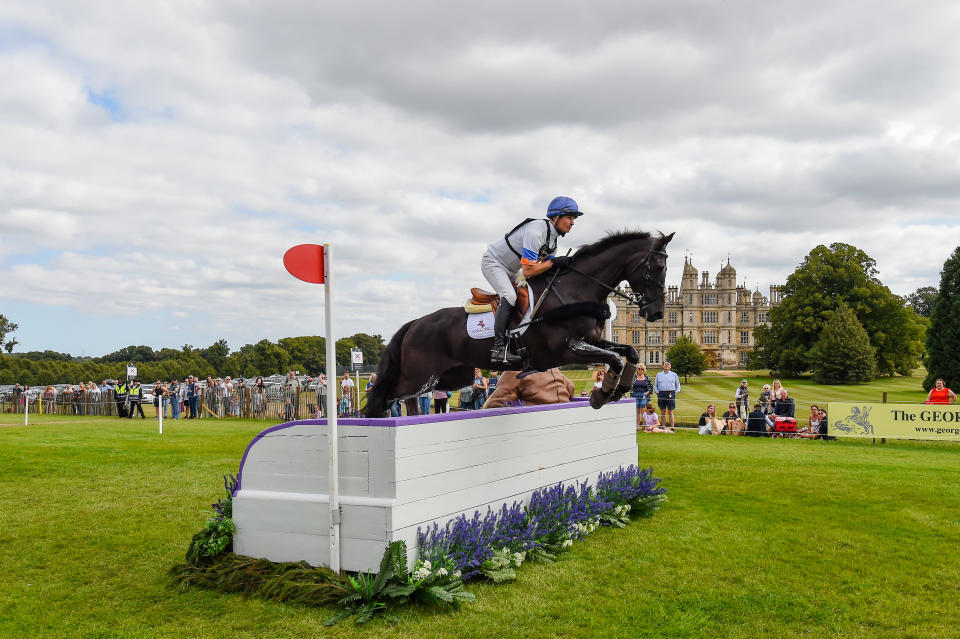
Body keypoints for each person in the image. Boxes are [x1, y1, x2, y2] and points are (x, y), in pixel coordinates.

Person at [480, 196, 583, 366]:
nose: (572, 223)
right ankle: (498, 349)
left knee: (532, 295)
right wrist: (553, 263)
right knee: (510, 297)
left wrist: (564, 268)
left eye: (574, 219)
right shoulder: (536, 231)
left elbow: (544, 270)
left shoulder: (552, 241)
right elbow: (528, 271)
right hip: (493, 263)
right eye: (570, 218)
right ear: (556, 217)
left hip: (512, 269)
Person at [482, 368, 576, 408]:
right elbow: (571, 388)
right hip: (565, 422)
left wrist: (520, 405)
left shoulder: (516, 371)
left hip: (533, 427)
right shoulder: (555, 371)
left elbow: (494, 404)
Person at [653, 360, 681, 429]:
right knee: (663, 411)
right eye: (665, 364)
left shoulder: (674, 375)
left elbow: (678, 385)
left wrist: (676, 392)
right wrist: (657, 392)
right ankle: (663, 426)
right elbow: (655, 385)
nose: (666, 365)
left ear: (670, 366)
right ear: (663, 366)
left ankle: (672, 427)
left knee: (670, 411)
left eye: (668, 364)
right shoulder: (658, 375)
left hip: (671, 393)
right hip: (661, 393)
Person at [631, 365, 653, 429]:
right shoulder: (633, 377)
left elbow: (650, 388)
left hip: (644, 396)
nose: (640, 370)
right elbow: (630, 386)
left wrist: (646, 393)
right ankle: (637, 426)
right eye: (639, 369)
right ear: (637, 370)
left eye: (642, 369)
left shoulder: (647, 378)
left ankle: (644, 426)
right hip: (635, 395)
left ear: (644, 370)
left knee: (643, 411)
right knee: (637, 412)